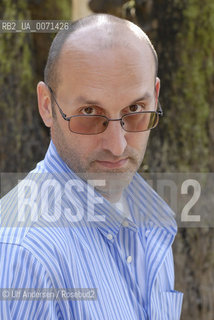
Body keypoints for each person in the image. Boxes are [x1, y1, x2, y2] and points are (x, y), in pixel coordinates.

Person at [0, 14, 183, 319]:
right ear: (47, 106)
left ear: (155, 95)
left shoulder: (152, 214)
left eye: (135, 110)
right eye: (89, 111)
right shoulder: (22, 253)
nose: (118, 145)